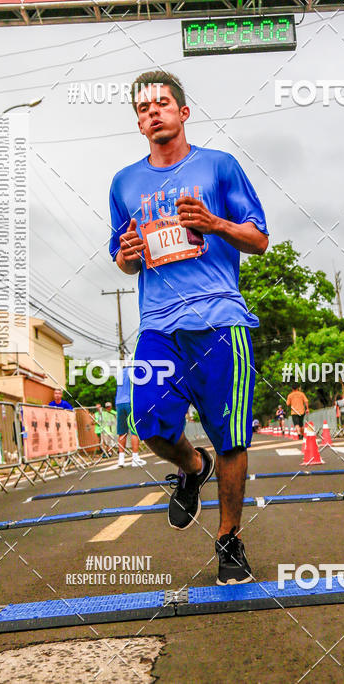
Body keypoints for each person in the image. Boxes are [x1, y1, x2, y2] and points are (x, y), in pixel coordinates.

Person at [108, 70, 268, 585]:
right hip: (159, 323)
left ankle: (229, 539)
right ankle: (192, 468)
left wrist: (214, 224)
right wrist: (126, 258)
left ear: (183, 112)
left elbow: (259, 238)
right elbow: (123, 256)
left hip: (220, 319)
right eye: (142, 109)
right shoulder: (124, 182)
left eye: (160, 104)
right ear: (138, 122)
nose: (151, 112)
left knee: (231, 437)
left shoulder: (219, 167)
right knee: (146, 418)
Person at [116, 365, 145, 467]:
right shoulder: (135, 371)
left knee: (122, 432)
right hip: (130, 402)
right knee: (134, 430)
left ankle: (121, 459)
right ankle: (135, 458)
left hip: (119, 403)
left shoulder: (120, 373)